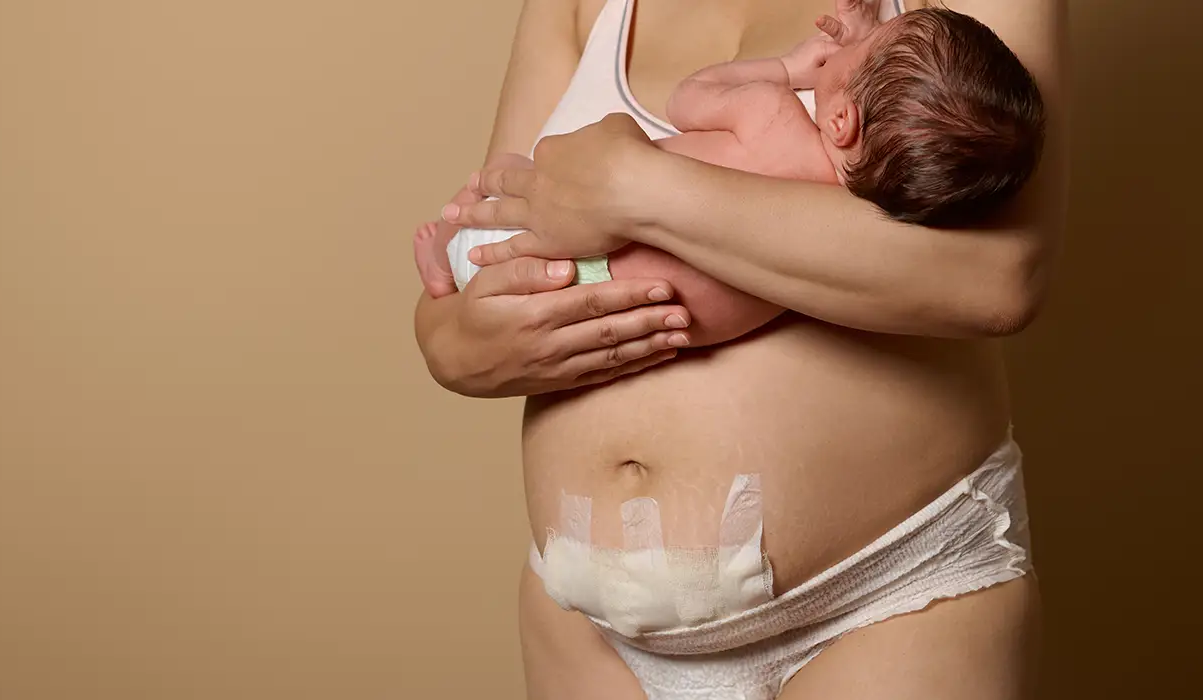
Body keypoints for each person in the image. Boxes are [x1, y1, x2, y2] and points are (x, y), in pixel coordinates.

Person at [415, 0, 1066, 697]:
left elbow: (1000, 278)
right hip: (587, 630)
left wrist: (635, 188)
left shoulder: (914, 35)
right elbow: (493, 220)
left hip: (885, 601)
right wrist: (451, 349)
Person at [416, 5, 1045, 351]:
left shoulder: (770, 112)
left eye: (871, 41)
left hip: (572, 281)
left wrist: (789, 67)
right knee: (508, 213)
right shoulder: (856, 207)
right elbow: (449, 338)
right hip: (628, 323)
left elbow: (693, 98)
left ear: (844, 117)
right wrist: (455, 352)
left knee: (489, 222)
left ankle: (449, 263)